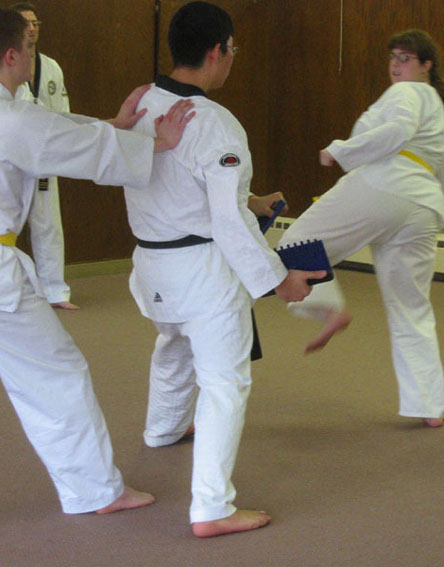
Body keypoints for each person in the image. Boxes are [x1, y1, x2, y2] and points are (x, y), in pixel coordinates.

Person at [0, 8, 194, 515]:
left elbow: (52, 128)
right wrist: (154, 144)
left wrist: (115, 125)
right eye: (28, 45)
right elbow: (69, 143)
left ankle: (95, 488)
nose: (33, 53)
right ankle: (96, 491)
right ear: (12, 55)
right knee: (55, 375)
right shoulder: (12, 119)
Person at [122, 1, 325, 537]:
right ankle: (212, 507)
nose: (233, 58)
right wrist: (279, 279)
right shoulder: (214, 123)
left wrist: (251, 200)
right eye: (233, 49)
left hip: (151, 263)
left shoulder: (143, 103)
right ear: (217, 51)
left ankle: (163, 428)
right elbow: (226, 221)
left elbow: (179, 182)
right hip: (200, 270)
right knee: (225, 382)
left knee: (174, 343)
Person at [279, 29, 444, 427]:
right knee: (412, 308)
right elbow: (435, 168)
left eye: (405, 58)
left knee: (295, 244)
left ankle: (329, 307)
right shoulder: (432, 104)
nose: (396, 66)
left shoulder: (409, 92)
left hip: (386, 184)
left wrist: (340, 149)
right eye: (392, 58)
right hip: (421, 205)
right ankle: (428, 406)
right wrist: (436, 214)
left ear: (426, 65)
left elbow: (396, 133)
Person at [11, 2, 76, 310]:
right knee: (5, 224)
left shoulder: (51, 67)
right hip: (12, 157)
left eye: (35, 23)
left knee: (49, 224)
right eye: (25, 23)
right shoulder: (4, 64)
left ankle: (55, 291)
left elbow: (63, 113)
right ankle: (3, 289)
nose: (32, 28)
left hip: (45, 155)